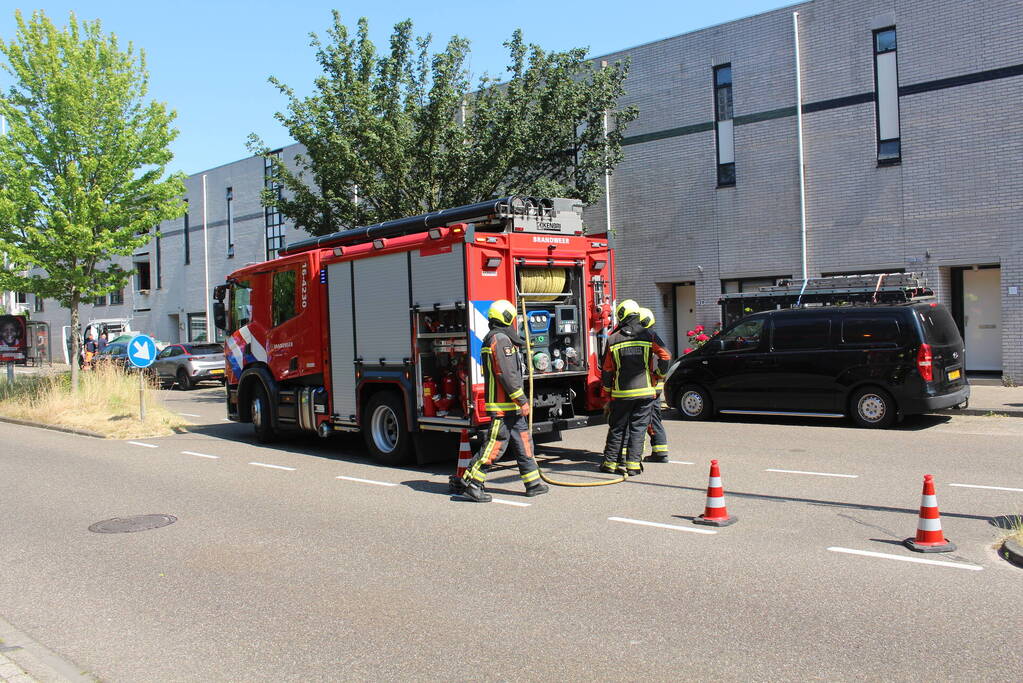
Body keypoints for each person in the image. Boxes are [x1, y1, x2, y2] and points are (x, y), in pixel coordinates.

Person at [460, 299, 549, 502]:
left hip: (511, 407)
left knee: (524, 443)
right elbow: (507, 374)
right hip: (503, 405)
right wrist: (522, 400)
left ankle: (533, 483)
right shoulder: (500, 340)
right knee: (495, 446)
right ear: (507, 318)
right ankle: (472, 484)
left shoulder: (500, 338)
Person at [599, 299, 671, 476]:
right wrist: (659, 375)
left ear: (621, 316)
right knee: (638, 429)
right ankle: (633, 466)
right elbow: (666, 356)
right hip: (645, 392)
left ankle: (610, 464)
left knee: (617, 428)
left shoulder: (613, 339)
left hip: (621, 393)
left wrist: (607, 393)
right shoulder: (649, 335)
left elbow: (607, 370)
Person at [638, 308, 671, 463]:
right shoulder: (650, 336)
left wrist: (658, 374)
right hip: (652, 384)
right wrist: (659, 374)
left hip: (644, 385)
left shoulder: (645, 336)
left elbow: (666, 356)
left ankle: (637, 454)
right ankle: (660, 451)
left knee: (641, 420)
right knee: (653, 418)